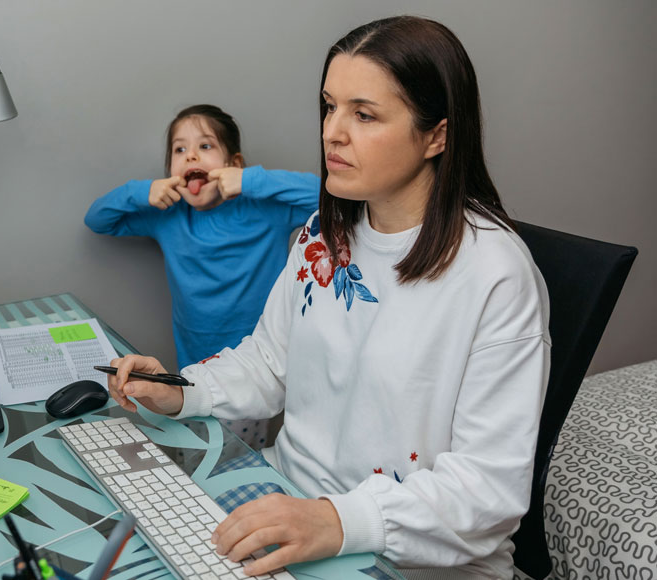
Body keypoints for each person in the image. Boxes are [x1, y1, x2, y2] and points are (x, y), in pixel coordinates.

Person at [104, 16, 550, 580]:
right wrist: (178, 391)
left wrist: (337, 521)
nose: (332, 132)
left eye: (363, 115)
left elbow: (488, 489)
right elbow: (268, 362)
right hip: (291, 500)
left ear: (437, 134)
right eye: (328, 107)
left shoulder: (495, 274)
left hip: (405, 556)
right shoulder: (325, 233)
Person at [84, 104, 320, 370]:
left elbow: (326, 195)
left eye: (205, 147)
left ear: (234, 164)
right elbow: (97, 219)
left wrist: (248, 180)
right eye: (180, 149)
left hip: (263, 355)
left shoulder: (267, 210)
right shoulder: (166, 215)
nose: (191, 156)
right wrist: (144, 191)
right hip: (195, 358)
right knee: (199, 409)